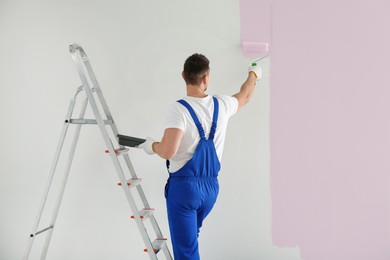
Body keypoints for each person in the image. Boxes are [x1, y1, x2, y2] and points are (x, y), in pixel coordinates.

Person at [139, 53, 262, 260]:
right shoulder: (222, 104)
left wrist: (151, 145)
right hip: (210, 190)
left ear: (183, 75)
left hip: (185, 190)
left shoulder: (178, 109)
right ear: (206, 78)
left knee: (186, 252)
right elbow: (245, 95)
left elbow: (168, 151)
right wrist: (253, 75)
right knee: (190, 241)